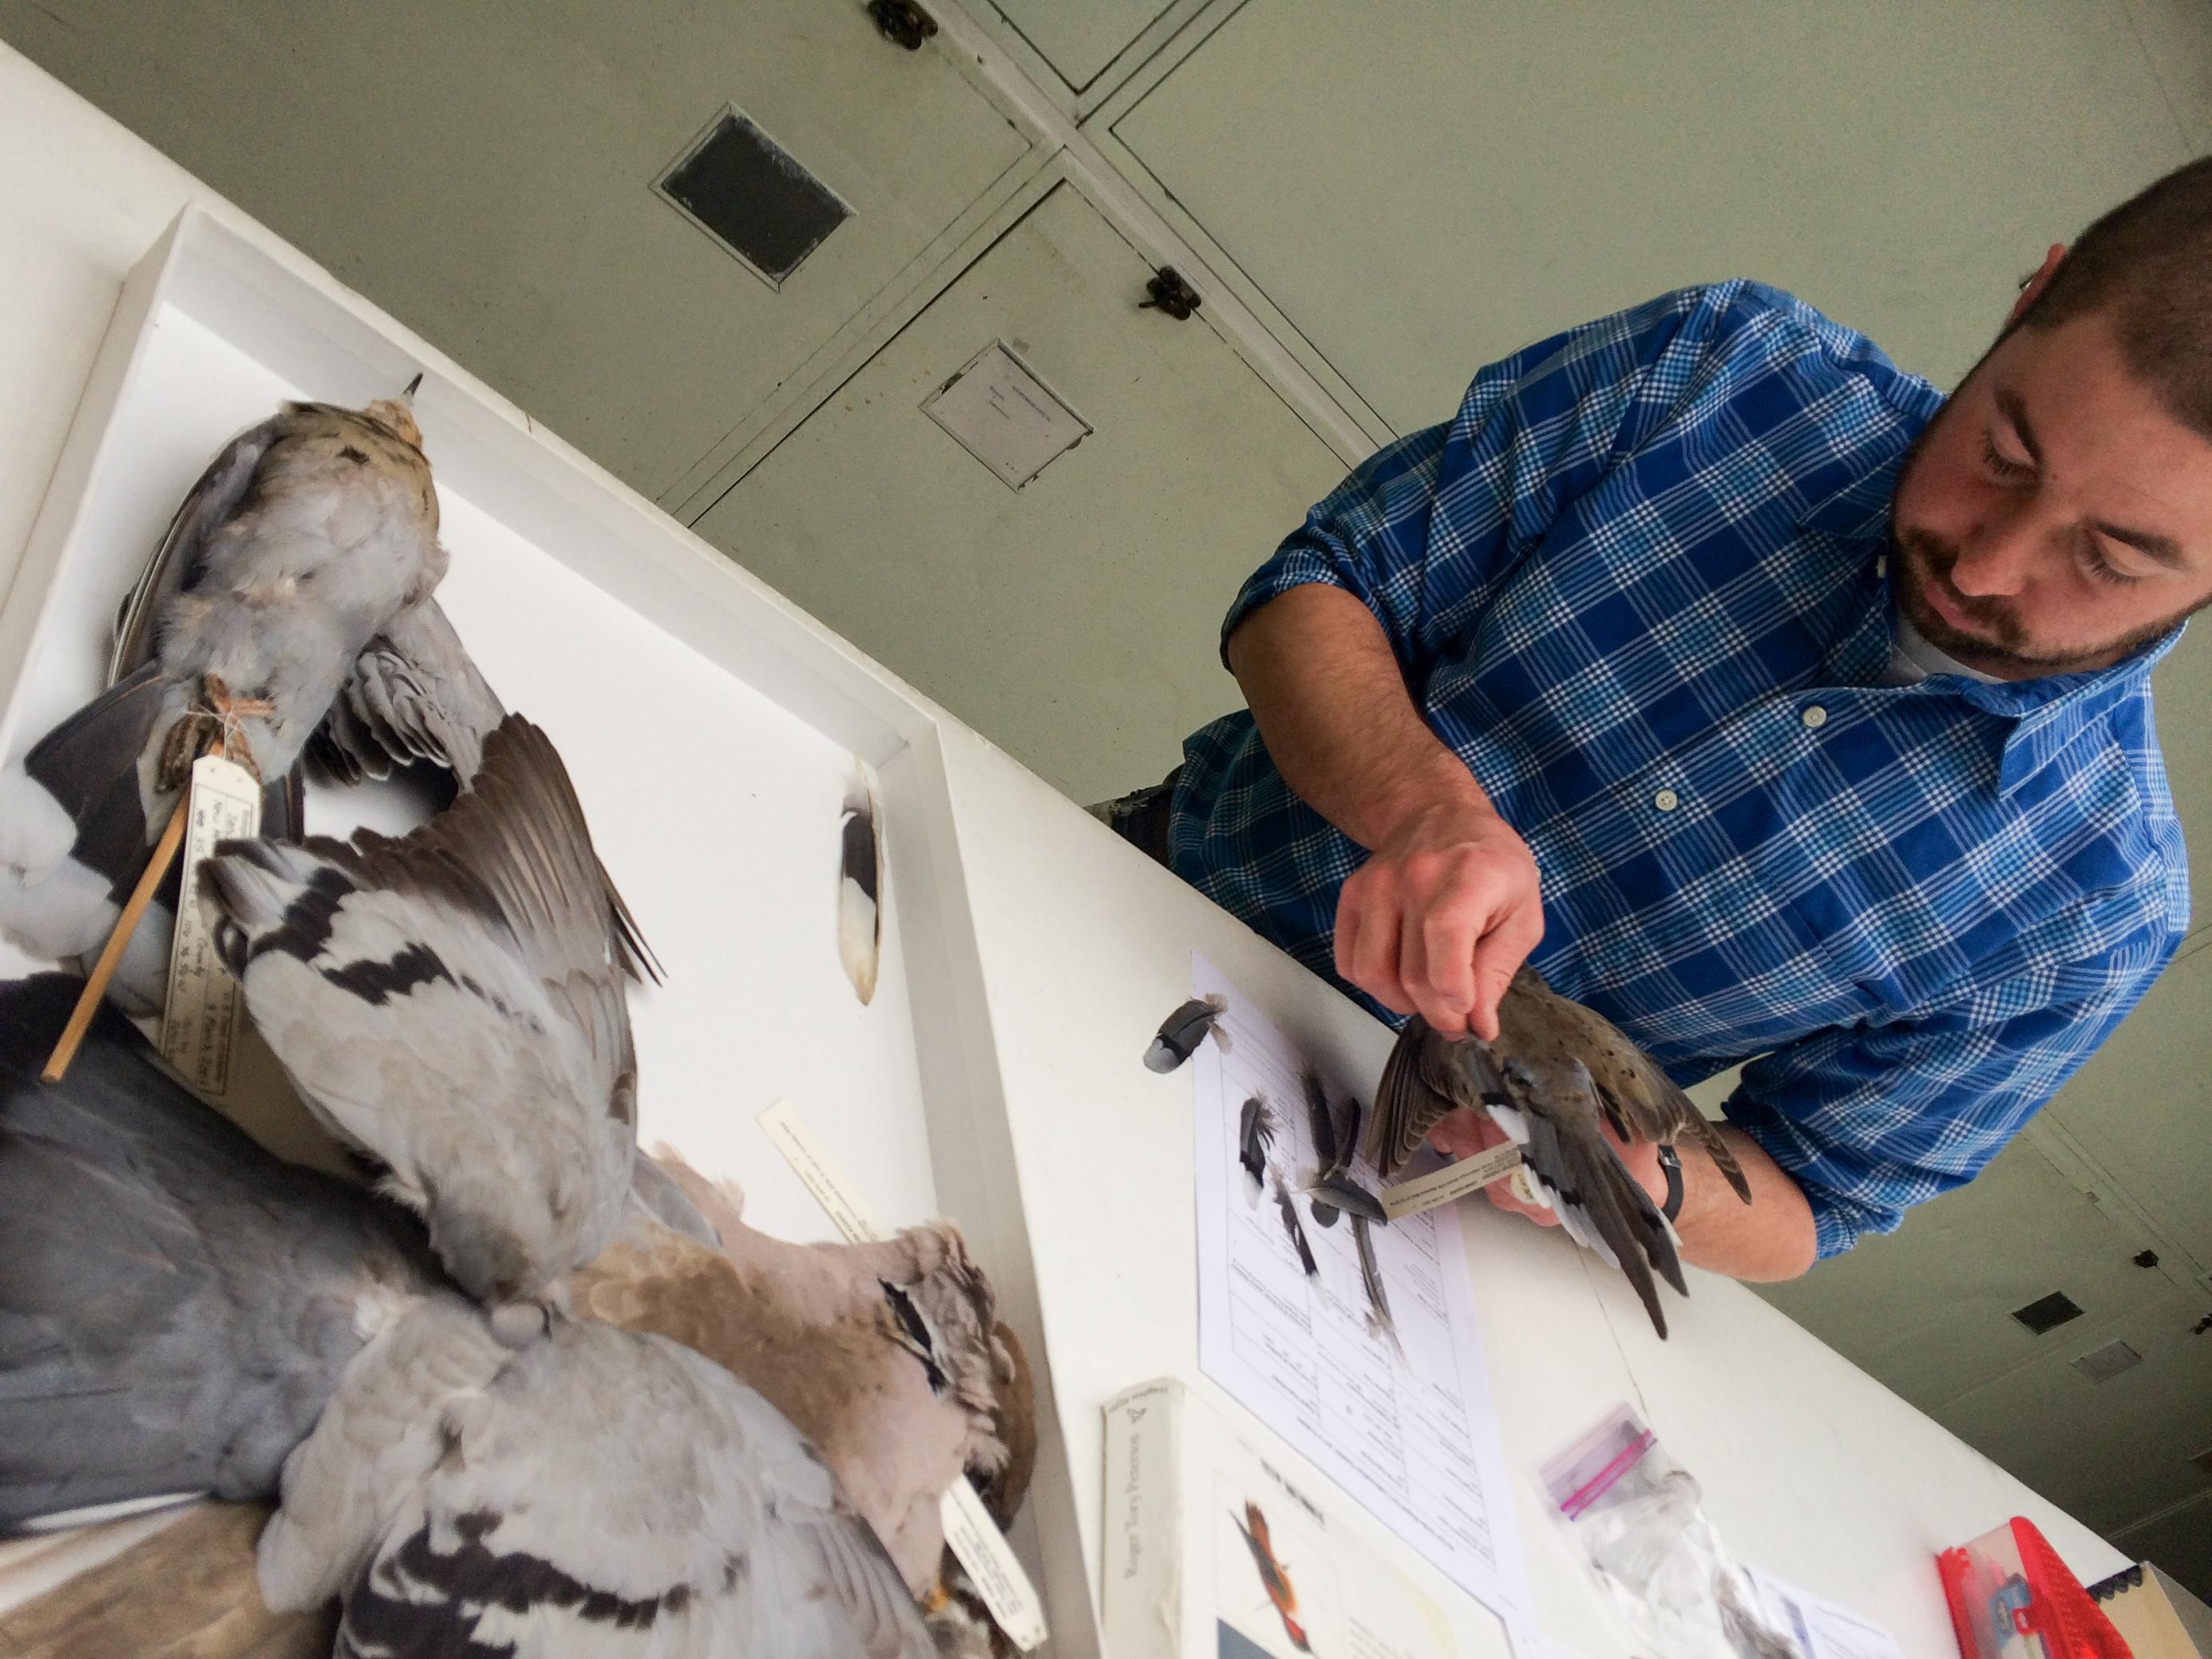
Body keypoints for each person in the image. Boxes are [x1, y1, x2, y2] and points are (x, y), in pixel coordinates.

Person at [1108, 160, 2210, 1281]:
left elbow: (1820, 1193)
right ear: (2034, 294)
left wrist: (1654, 1180)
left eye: (2108, 560)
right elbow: (1312, 589)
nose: (1984, 564)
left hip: (1399, 1223)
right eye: (2002, 456)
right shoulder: (1724, 368)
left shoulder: (2094, 908)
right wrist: (1419, 807)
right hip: (1143, 907)